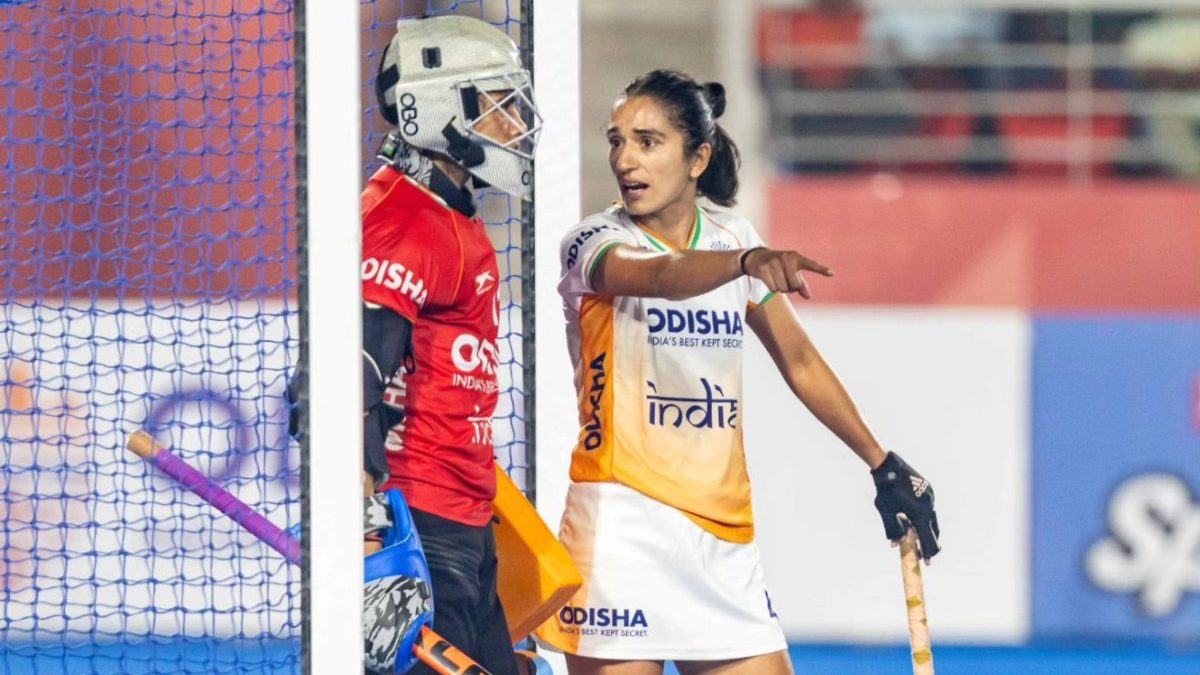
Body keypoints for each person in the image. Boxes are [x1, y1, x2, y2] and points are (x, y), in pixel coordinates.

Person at [534, 69, 941, 674]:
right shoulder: (592, 242)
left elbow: (799, 361)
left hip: (721, 536)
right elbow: (662, 277)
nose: (625, 159)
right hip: (621, 528)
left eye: (648, 141)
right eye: (616, 140)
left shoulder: (732, 237)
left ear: (697, 157)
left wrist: (880, 460)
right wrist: (748, 262)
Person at [359, 14, 540, 675]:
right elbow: (354, 376)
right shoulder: (402, 218)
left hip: (464, 515)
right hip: (422, 524)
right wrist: (372, 535)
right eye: (496, 104)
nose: (513, 123)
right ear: (439, 109)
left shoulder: (446, 213)